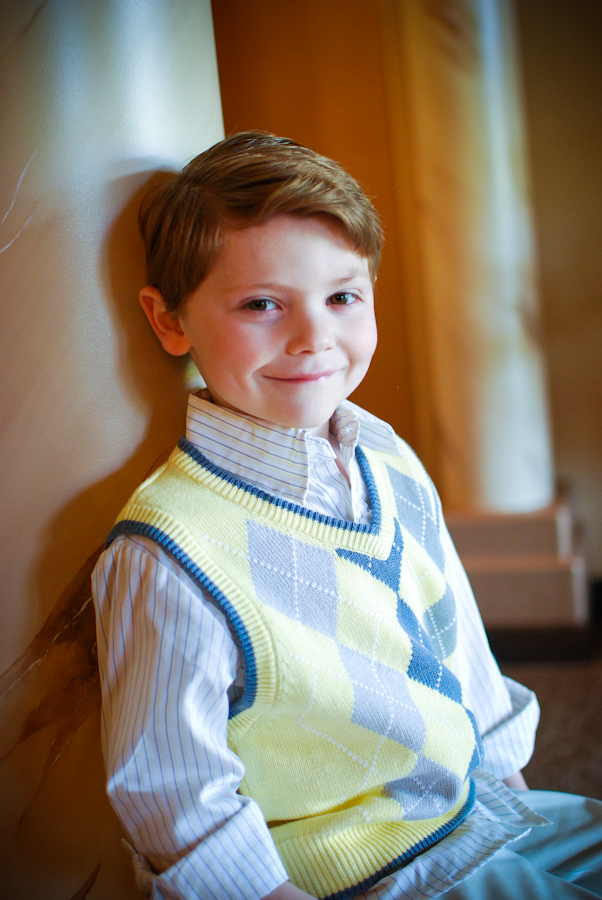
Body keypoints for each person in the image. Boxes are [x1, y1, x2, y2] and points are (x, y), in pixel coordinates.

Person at [92, 131, 602, 900]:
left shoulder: (384, 453)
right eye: (262, 304)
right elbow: (173, 792)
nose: (314, 339)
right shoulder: (169, 549)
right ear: (169, 321)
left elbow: (455, 631)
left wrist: (514, 799)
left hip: (470, 814)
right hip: (364, 872)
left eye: (341, 298)